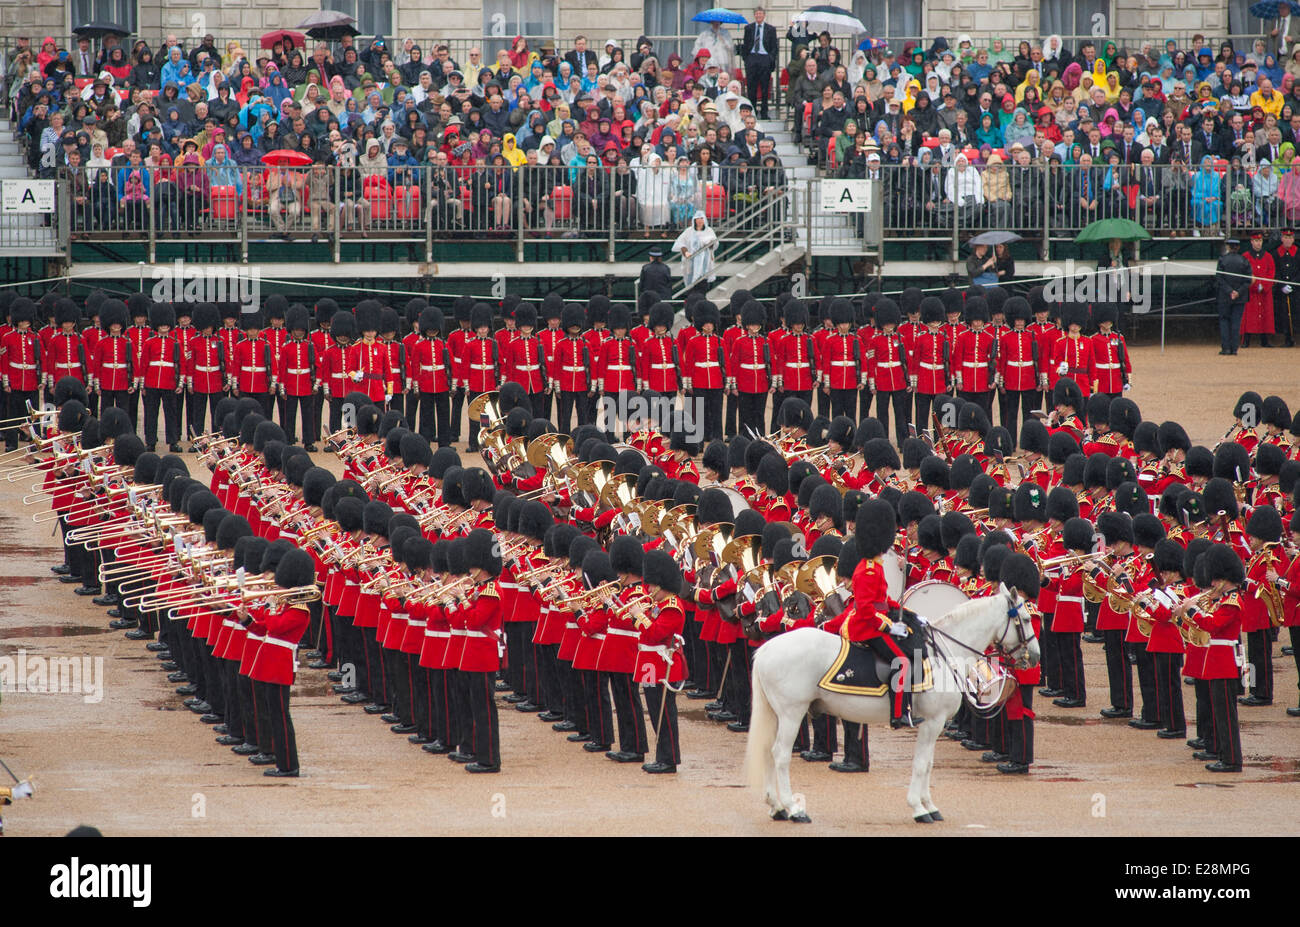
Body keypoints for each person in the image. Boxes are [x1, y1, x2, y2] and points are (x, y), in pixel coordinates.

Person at [1215, 239, 1250, 356]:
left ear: (1229, 247)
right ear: (1238, 248)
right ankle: (1234, 348)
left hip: (1225, 296)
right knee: (1236, 322)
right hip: (1240, 297)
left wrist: (1230, 291)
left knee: (1224, 321)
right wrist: (1238, 292)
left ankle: (1226, 348)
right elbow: (1247, 280)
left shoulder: (1222, 260)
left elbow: (1219, 278)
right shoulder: (1244, 261)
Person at [1242, 231, 1277, 348]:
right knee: (1249, 316)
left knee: (1265, 315)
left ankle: (1265, 340)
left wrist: (1264, 285)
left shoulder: (1268, 256)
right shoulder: (1246, 256)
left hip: (1264, 292)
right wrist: (1255, 285)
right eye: (1256, 241)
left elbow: (1271, 273)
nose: (1258, 243)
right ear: (1251, 242)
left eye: (1260, 241)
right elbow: (1245, 274)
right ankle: (1246, 340)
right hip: (1251, 292)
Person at [743, 8, 778, 120]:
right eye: (756, 14)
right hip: (752, 58)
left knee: (764, 87)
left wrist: (770, 59)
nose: (758, 16)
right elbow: (745, 44)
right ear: (754, 15)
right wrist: (747, 59)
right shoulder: (749, 28)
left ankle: (764, 112)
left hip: (764, 58)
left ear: (764, 15)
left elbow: (774, 46)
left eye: (760, 14)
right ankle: (752, 111)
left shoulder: (771, 29)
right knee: (751, 87)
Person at [672, 210, 717, 294]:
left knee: (702, 285)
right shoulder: (689, 231)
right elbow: (680, 243)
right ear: (694, 220)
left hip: (705, 262)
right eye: (698, 218)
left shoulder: (709, 231)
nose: (700, 220)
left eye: (701, 218)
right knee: (691, 287)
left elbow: (714, 244)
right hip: (691, 262)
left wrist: (708, 243)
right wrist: (685, 252)